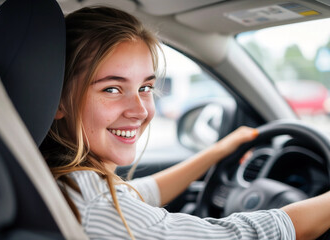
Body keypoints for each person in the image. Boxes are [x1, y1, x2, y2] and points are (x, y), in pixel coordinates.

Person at [40, 6, 330, 240]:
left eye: (145, 88)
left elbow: (136, 194)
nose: (140, 111)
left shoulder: (63, 180)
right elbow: (236, 236)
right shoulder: (92, 202)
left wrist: (218, 151)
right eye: (112, 89)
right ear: (59, 100)